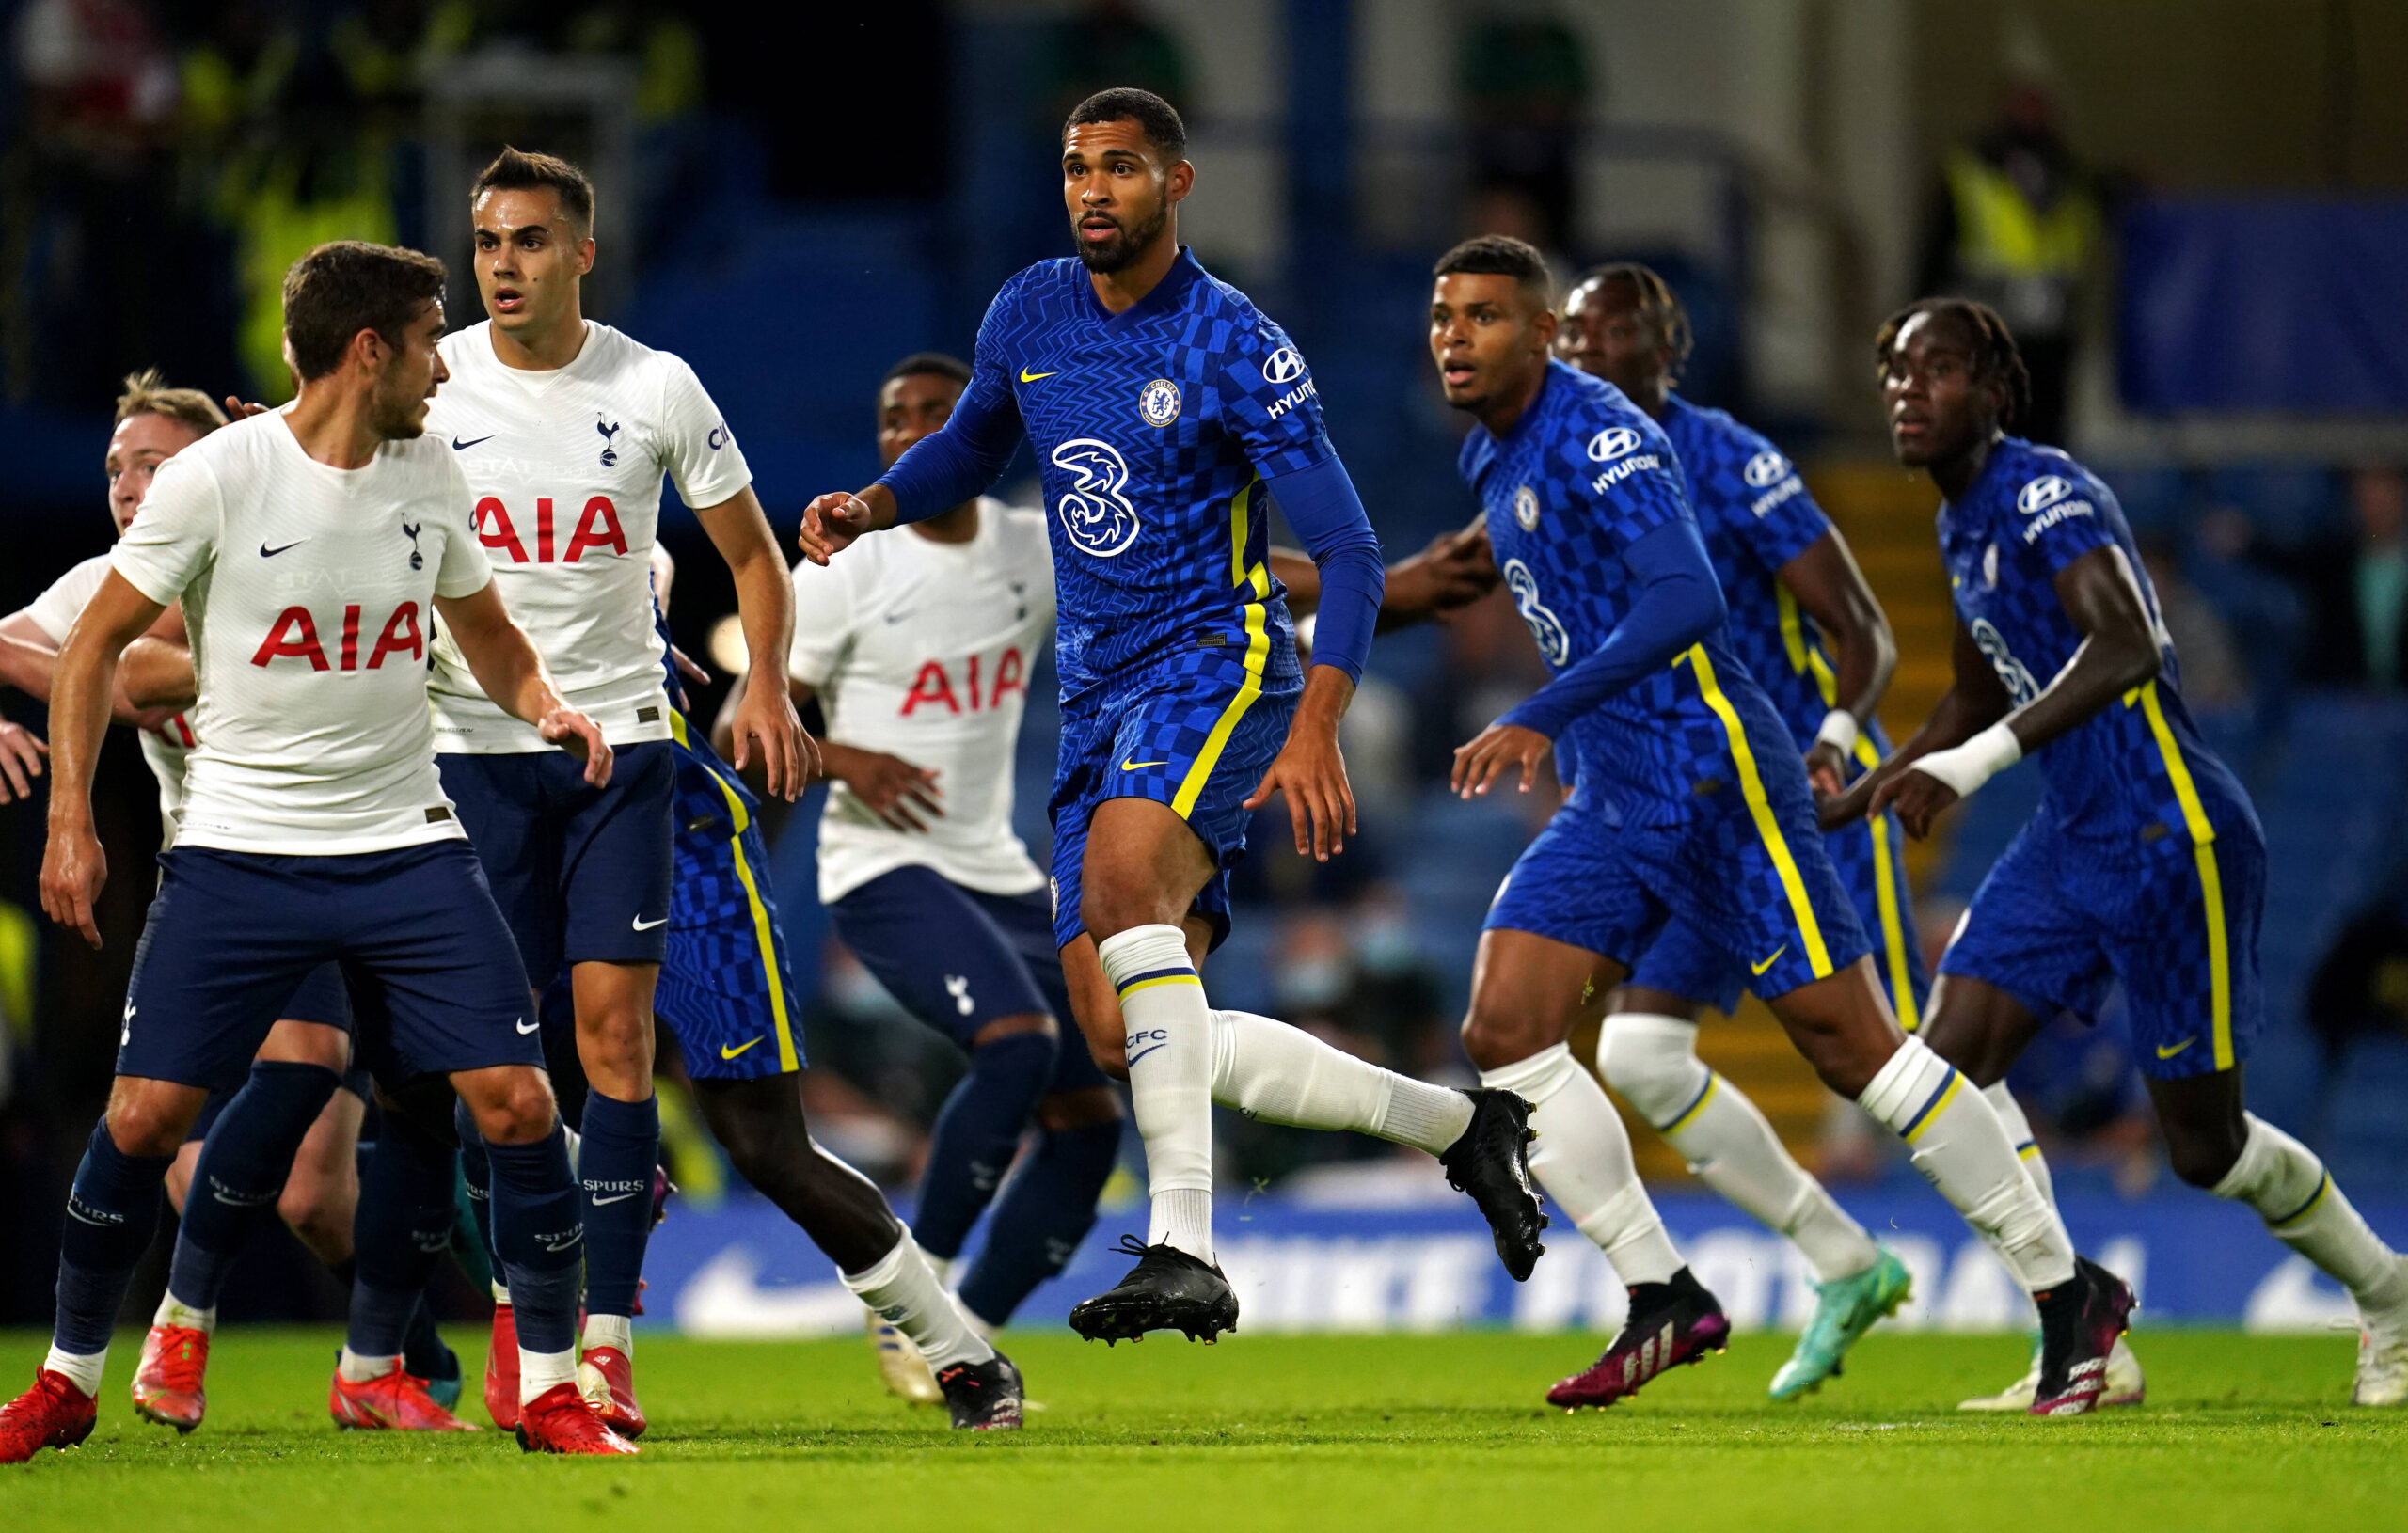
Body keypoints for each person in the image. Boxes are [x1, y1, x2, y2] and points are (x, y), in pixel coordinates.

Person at [799, 88, 1545, 1345]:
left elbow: (1351, 554)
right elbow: (971, 448)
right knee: (1125, 1025)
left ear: (1177, 183)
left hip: (1219, 660)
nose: (1095, 189)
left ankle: (1186, 1248)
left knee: (1129, 885)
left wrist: (1317, 721)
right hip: (1095, 690)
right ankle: (1463, 1126)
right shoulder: (1030, 310)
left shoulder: (1233, 343)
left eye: (1124, 168)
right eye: (1078, 167)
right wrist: (876, 502)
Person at [1428, 235, 2118, 1414]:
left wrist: (1541, 714)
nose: (1453, 335)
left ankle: (2068, 1294)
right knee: (1506, 1024)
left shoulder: (1624, 440)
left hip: (1719, 779)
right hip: (1617, 794)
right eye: (1442, 316)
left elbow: (1696, 600)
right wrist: (1284, 606)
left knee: (1858, 1049)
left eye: (1483, 316)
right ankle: (1664, 1296)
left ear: (1554, 337)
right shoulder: (1492, 453)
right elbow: (1442, 578)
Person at [0, 240, 634, 1460]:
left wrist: (544, 702)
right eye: (429, 339)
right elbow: (92, 651)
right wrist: (71, 823)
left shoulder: (429, 475)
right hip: (238, 856)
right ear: (367, 349)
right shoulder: (220, 479)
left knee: (513, 1099)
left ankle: (549, 1387)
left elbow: (489, 633)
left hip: (404, 847)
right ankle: (71, 1378)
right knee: (143, 1120)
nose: (445, 370)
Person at [1829, 297, 2408, 1411]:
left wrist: (1978, 764)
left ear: (1993, 393)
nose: (1908, 389)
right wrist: (1871, 782)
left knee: (2204, 1147)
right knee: (1940, 1071)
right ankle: (2081, 1334)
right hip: (2071, 834)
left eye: (1936, 370)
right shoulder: (1960, 524)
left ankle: (2386, 1292)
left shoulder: (2044, 492)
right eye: (1895, 371)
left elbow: (2127, 643)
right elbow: (1975, 683)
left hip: (2166, 831)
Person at [420, 147, 808, 1436]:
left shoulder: (653, 386)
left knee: (615, 1042)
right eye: (488, 244)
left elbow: (754, 556)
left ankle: (607, 1339)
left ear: (583, 251)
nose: (506, 266)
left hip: (623, 753)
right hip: (471, 753)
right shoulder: (435, 384)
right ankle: (520, 1325)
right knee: (497, 1062)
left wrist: (765, 688)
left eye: (531, 241)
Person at [0, 372, 467, 1430]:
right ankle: (408, 1359)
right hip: (217, 881)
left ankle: (181, 1325)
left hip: (352, 857)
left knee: (321, 1066)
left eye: (154, 466)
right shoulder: (102, 585)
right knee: (296, 1193)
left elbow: (135, 680)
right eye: (115, 468)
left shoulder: (287, 553)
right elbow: (82, 659)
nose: (128, 486)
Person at [1550, 263, 1920, 1399]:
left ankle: (2070, 1298)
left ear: (1670, 350)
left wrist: (1838, 736)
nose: (1584, 354)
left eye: (1611, 336)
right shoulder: (1551, 465)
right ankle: (1842, 1257)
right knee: (1639, 1053)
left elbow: (1860, 626)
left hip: (1783, 803)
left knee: (1895, 1066)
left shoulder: (1729, 462)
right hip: (1677, 811)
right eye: (1570, 336)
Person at [775, 352, 1121, 1399]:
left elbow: (1191, 567)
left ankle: (962, 1336)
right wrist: (848, 760)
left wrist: (1366, 586)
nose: (909, 434)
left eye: (934, 417)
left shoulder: (1031, 544)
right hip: (882, 865)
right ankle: (911, 1301)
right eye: (892, 419)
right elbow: (748, 724)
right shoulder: (842, 572)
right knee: (1015, 1044)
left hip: (995, 868)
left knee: (1089, 1125)